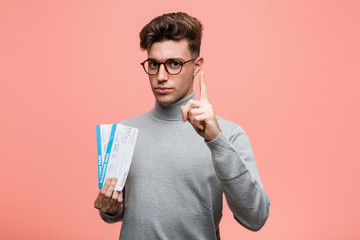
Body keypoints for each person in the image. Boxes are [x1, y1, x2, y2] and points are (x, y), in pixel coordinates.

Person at [94, 12, 270, 239]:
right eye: (154, 64)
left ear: (197, 65)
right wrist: (111, 209)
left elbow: (256, 218)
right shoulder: (124, 133)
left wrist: (215, 140)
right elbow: (118, 211)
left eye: (174, 64)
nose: (161, 76)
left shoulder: (228, 135)